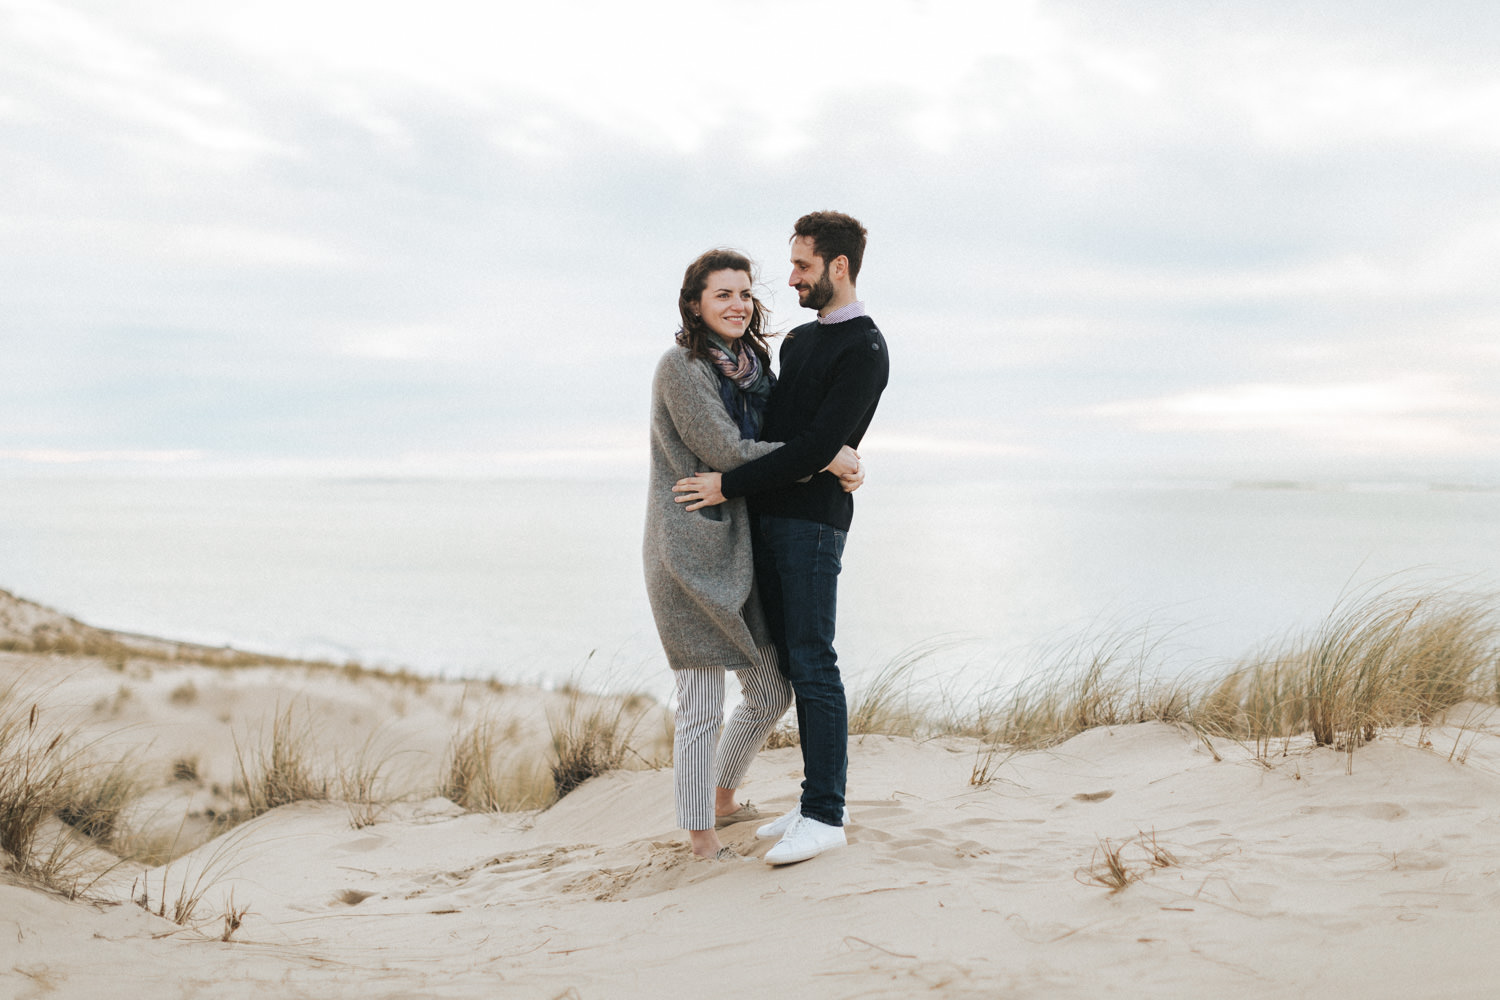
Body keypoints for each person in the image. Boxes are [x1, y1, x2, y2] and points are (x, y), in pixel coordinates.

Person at [673, 211, 889, 866]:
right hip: (770, 521)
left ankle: (826, 814)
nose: (789, 277)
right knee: (793, 665)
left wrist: (728, 485)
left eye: (801, 265)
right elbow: (784, 435)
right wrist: (826, 456)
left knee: (814, 661)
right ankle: (814, 797)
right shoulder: (796, 344)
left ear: (838, 267)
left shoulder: (866, 348)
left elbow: (819, 445)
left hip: (814, 525)